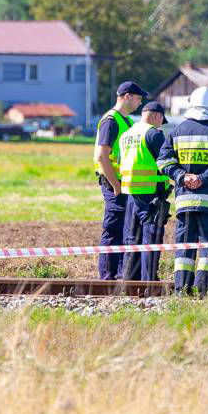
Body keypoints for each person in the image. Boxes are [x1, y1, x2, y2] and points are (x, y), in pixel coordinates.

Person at [156, 86, 208, 296]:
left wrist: (182, 177)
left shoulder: (177, 131)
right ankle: (205, 291)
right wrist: (202, 179)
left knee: (184, 247)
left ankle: (181, 290)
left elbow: (163, 161)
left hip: (185, 201)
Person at [92, 81, 147, 280]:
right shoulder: (111, 120)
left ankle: (118, 276)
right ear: (127, 96)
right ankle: (106, 277)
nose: (140, 103)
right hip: (113, 183)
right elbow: (101, 156)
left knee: (124, 230)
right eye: (138, 98)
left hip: (123, 183)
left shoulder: (127, 121)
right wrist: (116, 185)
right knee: (113, 229)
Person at [119, 101, 170, 281]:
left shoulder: (127, 134)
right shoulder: (154, 134)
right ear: (157, 116)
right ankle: (149, 282)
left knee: (132, 239)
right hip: (152, 194)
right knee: (151, 239)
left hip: (131, 194)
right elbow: (167, 162)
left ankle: (128, 281)